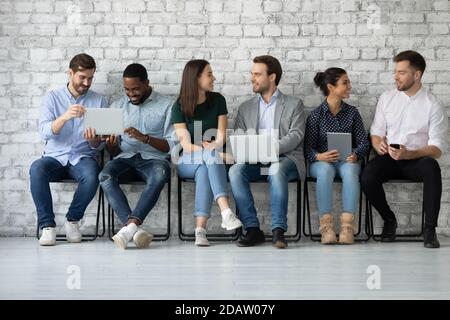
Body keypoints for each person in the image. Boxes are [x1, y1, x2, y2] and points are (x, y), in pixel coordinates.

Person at [361, 50, 448, 248]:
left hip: (417, 159)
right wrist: (377, 143)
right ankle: (389, 219)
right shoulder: (387, 98)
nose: (395, 76)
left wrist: (410, 153)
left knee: (432, 168)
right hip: (390, 157)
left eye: (401, 72)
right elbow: (376, 132)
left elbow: (437, 148)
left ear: (416, 75)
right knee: (367, 175)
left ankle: (430, 230)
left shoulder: (433, 105)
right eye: (395, 71)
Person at [30, 53, 107, 246]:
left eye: (90, 78)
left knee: (92, 174)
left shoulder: (99, 101)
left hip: (83, 157)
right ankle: (47, 226)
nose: (87, 82)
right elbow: (45, 132)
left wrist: (94, 141)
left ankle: (73, 220)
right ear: (70, 73)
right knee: (36, 169)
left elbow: (102, 143)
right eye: (82, 77)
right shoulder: (52, 97)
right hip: (55, 157)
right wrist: (65, 117)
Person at [228, 55, 305, 249]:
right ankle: (253, 229)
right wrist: (255, 151)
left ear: (272, 77)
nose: (252, 78)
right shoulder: (246, 108)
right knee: (235, 171)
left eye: (257, 74)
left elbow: (296, 135)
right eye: (252, 74)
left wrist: (269, 149)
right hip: (255, 161)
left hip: (286, 159)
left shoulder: (294, 104)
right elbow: (239, 137)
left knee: (276, 169)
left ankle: (278, 230)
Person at [99, 63, 174, 250]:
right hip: (124, 158)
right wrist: (111, 144)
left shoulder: (167, 105)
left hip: (154, 159)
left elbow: (171, 145)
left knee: (160, 173)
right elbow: (113, 152)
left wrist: (145, 138)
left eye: (136, 89)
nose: (131, 94)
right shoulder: (117, 106)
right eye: (127, 90)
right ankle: (133, 228)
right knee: (105, 176)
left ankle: (129, 226)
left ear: (147, 83)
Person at [171, 59, 243, 246]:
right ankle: (226, 211)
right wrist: (215, 153)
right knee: (210, 156)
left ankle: (200, 230)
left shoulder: (218, 100)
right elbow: (186, 146)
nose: (214, 77)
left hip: (208, 161)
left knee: (205, 169)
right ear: (196, 78)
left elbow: (220, 138)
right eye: (209, 74)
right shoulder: (178, 107)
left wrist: (213, 148)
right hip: (186, 160)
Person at [305, 68, 369, 245]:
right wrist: (319, 156)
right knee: (325, 171)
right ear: (331, 87)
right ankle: (327, 228)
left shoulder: (353, 113)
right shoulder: (315, 115)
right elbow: (308, 150)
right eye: (345, 82)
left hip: (347, 161)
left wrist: (356, 154)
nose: (350, 86)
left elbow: (364, 143)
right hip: (322, 163)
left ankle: (347, 228)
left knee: (350, 172)